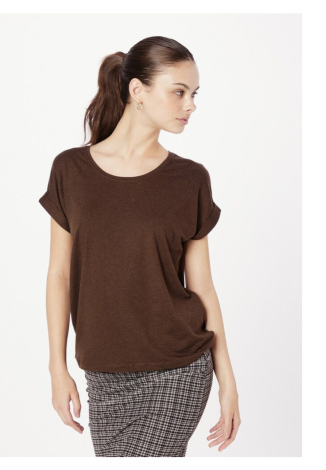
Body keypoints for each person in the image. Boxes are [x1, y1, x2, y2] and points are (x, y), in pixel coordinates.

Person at [39, 35, 241, 457]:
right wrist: (57, 366)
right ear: (138, 91)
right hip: (102, 373)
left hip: (177, 368)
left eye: (194, 94)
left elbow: (203, 287)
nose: (191, 105)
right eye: (179, 92)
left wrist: (228, 383)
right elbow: (59, 275)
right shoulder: (70, 170)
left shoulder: (190, 179)